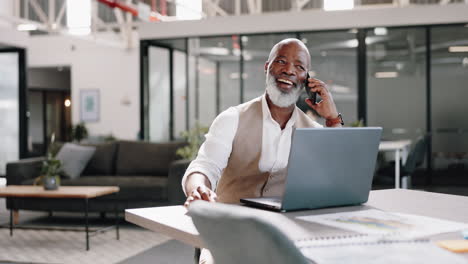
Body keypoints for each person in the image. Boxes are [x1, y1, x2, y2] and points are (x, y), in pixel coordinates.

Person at [182, 38, 343, 263]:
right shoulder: (233, 119)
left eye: (299, 67)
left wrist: (333, 119)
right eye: (281, 61)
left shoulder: (313, 131)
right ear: (267, 68)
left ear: (306, 79)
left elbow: (340, 178)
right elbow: (204, 166)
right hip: (230, 234)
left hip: (287, 238)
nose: (289, 70)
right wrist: (198, 188)